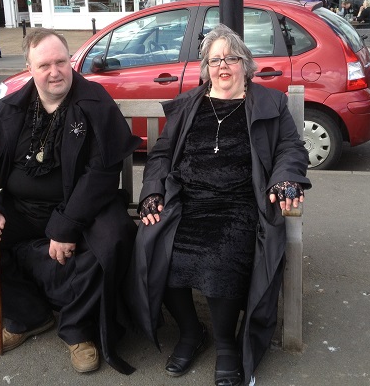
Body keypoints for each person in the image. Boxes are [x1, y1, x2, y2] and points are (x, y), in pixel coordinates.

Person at [0, 28, 141, 376]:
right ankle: (27, 314)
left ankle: (79, 330)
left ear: (71, 62)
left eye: (61, 62)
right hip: (22, 208)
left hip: (81, 209)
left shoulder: (93, 102)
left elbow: (102, 175)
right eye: (44, 64)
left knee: (112, 238)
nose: (55, 71)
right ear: (30, 68)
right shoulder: (11, 109)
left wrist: (67, 225)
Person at [127, 24, 311, 386]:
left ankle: (227, 344)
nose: (223, 66)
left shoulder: (269, 104)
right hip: (187, 201)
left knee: (219, 256)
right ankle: (191, 332)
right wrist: (153, 191)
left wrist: (285, 180)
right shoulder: (189, 105)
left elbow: (291, 149)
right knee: (155, 246)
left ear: (245, 63)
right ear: (206, 67)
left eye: (231, 58)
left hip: (239, 203)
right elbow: (161, 154)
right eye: (214, 60)